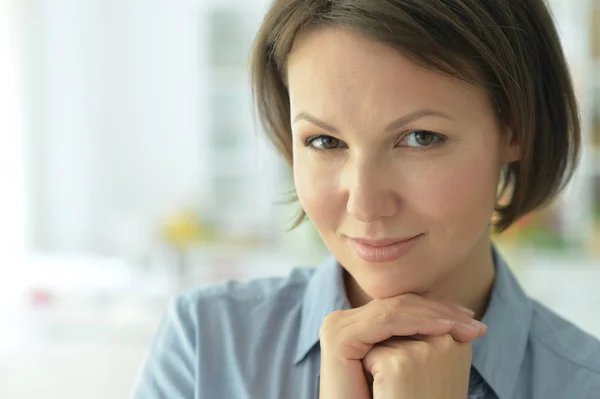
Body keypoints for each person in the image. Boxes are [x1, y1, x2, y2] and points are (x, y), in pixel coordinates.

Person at [131, 0, 600, 398]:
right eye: (324, 142)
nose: (365, 203)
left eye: (420, 138)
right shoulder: (205, 350)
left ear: (514, 128)